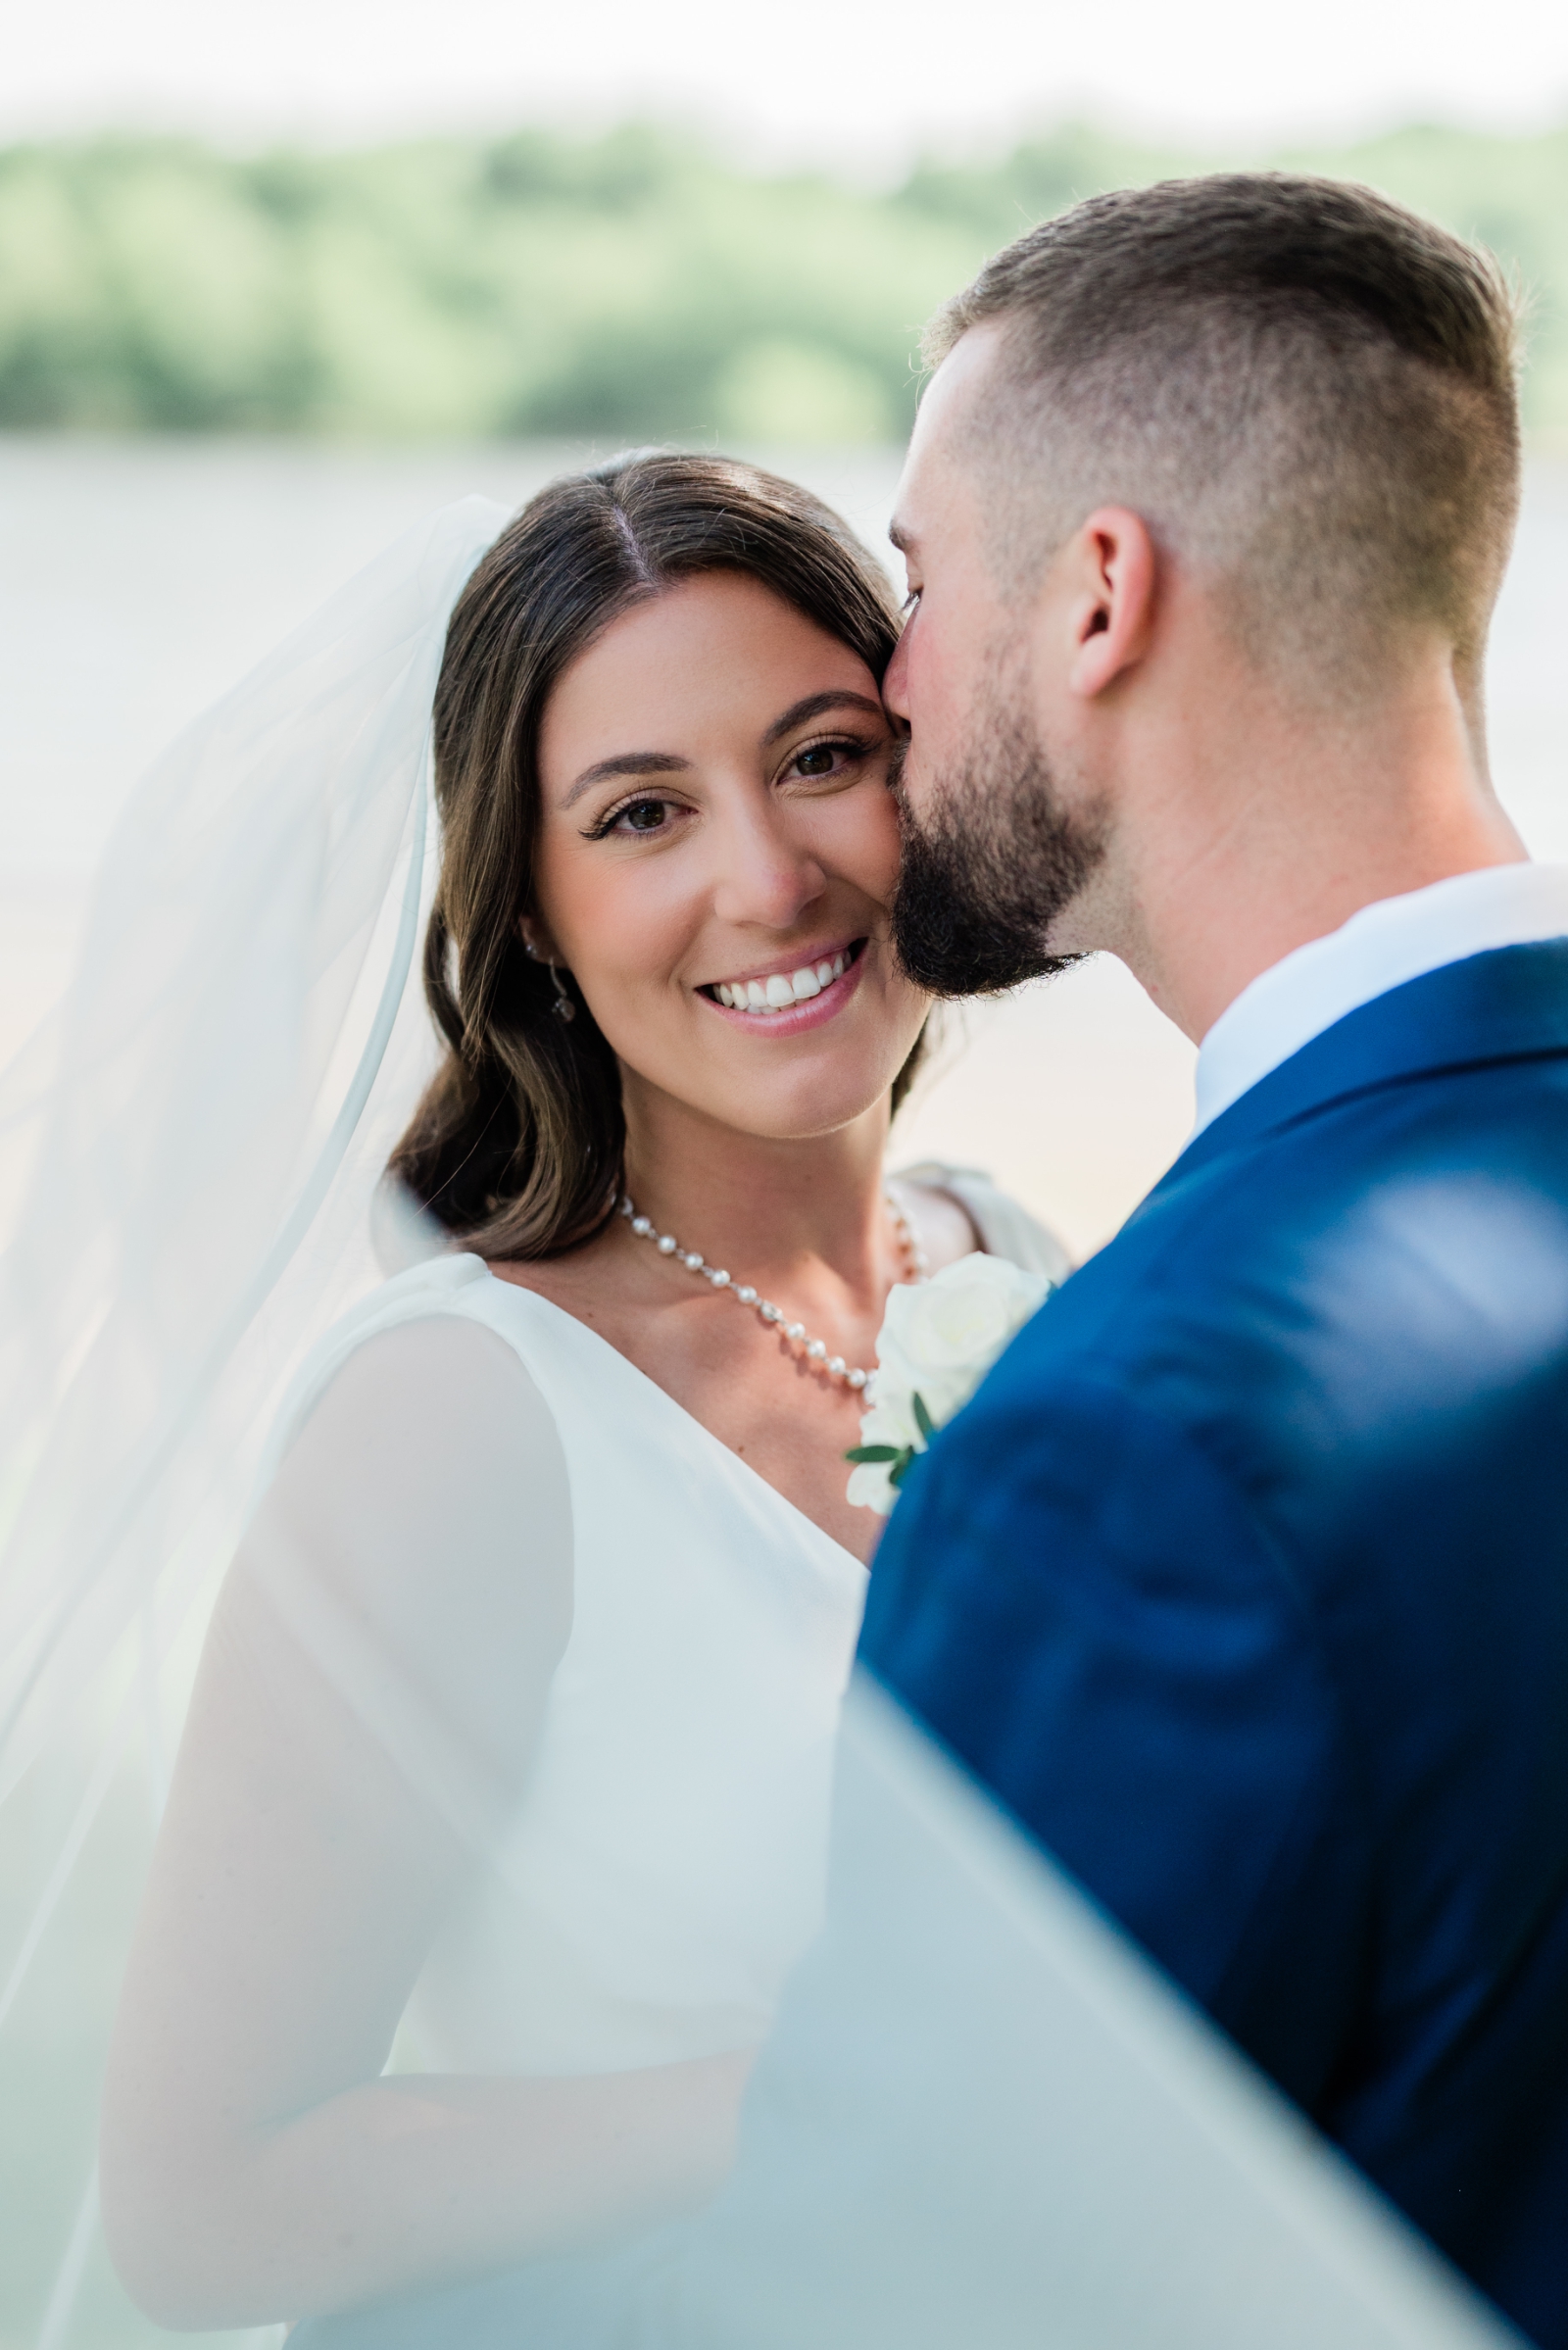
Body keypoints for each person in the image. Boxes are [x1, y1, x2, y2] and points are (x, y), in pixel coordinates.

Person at [79, 453, 1063, 2338]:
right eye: (638, 814)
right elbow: (202, 2203)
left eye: (821, 756)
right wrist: (834, 2088)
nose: (766, 878)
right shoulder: (459, 1415)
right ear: (526, 910)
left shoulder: (1009, 1260)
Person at [859, 173, 1568, 2349]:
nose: (884, 684)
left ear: (1095, 595)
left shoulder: (1134, 1434)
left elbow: (923, 2264)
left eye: (910, 583)